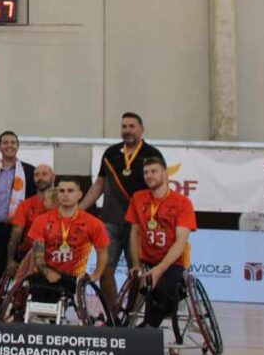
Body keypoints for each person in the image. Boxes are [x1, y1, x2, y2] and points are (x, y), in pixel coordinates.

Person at [79, 112, 165, 310]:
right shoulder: (111, 153)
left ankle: (131, 317)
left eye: (132, 126)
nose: (127, 130)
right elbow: (99, 184)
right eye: (124, 126)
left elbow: (160, 187)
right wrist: (79, 210)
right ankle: (112, 314)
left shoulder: (152, 154)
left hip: (139, 223)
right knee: (105, 268)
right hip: (109, 220)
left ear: (142, 130)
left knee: (137, 270)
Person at [126, 157, 197, 328]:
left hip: (173, 261)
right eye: (146, 172)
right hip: (148, 259)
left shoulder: (182, 202)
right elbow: (134, 233)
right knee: (139, 290)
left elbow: (181, 241)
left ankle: (148, 327)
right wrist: (136, 264)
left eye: (154, 171)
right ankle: (127, 327)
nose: (149, 176)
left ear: (165, 174)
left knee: (161, 292)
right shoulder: (138, 198)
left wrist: (159, 269)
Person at [27, 178, 109, 303]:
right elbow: (38, 253)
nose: (66, 194)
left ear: (79, 194)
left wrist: (97, 274)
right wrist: (46, 271)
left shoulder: (93, 223)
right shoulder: (42, 220)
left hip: (74, 276)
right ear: (57, 195)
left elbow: (102, 251)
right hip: (46, 272)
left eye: (70, 191)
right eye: (62, 191)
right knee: (38, 290)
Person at [0, 131, 37, 293]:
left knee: (20, 273)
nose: (9, 145)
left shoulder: (29, 172)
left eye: (13, 142)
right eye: (5, 142)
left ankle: (17, 310)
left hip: (21, 231)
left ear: (18, 146)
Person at [6, 164, 56, 283]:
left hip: (57, 253)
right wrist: (10, 261)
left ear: (53, 177)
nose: (40, 178)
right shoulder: (25, 205)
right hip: (29, 252)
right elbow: (15, 236)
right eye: (36, 175)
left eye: (44, 174)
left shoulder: (63, 201)